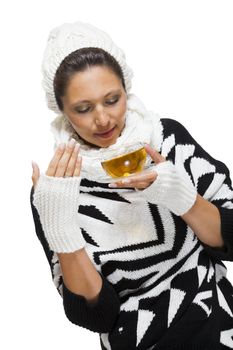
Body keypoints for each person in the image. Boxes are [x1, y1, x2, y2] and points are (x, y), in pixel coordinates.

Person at [30, 21, 233, 350]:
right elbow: (98, 317)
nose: (103, 119)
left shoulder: (166, 140)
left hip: (220, 328)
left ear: (127, 88)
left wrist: (183, 200)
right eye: (83, 108)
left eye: (112, 99)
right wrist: (63, 230)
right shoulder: (57, 189)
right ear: (62, 111)